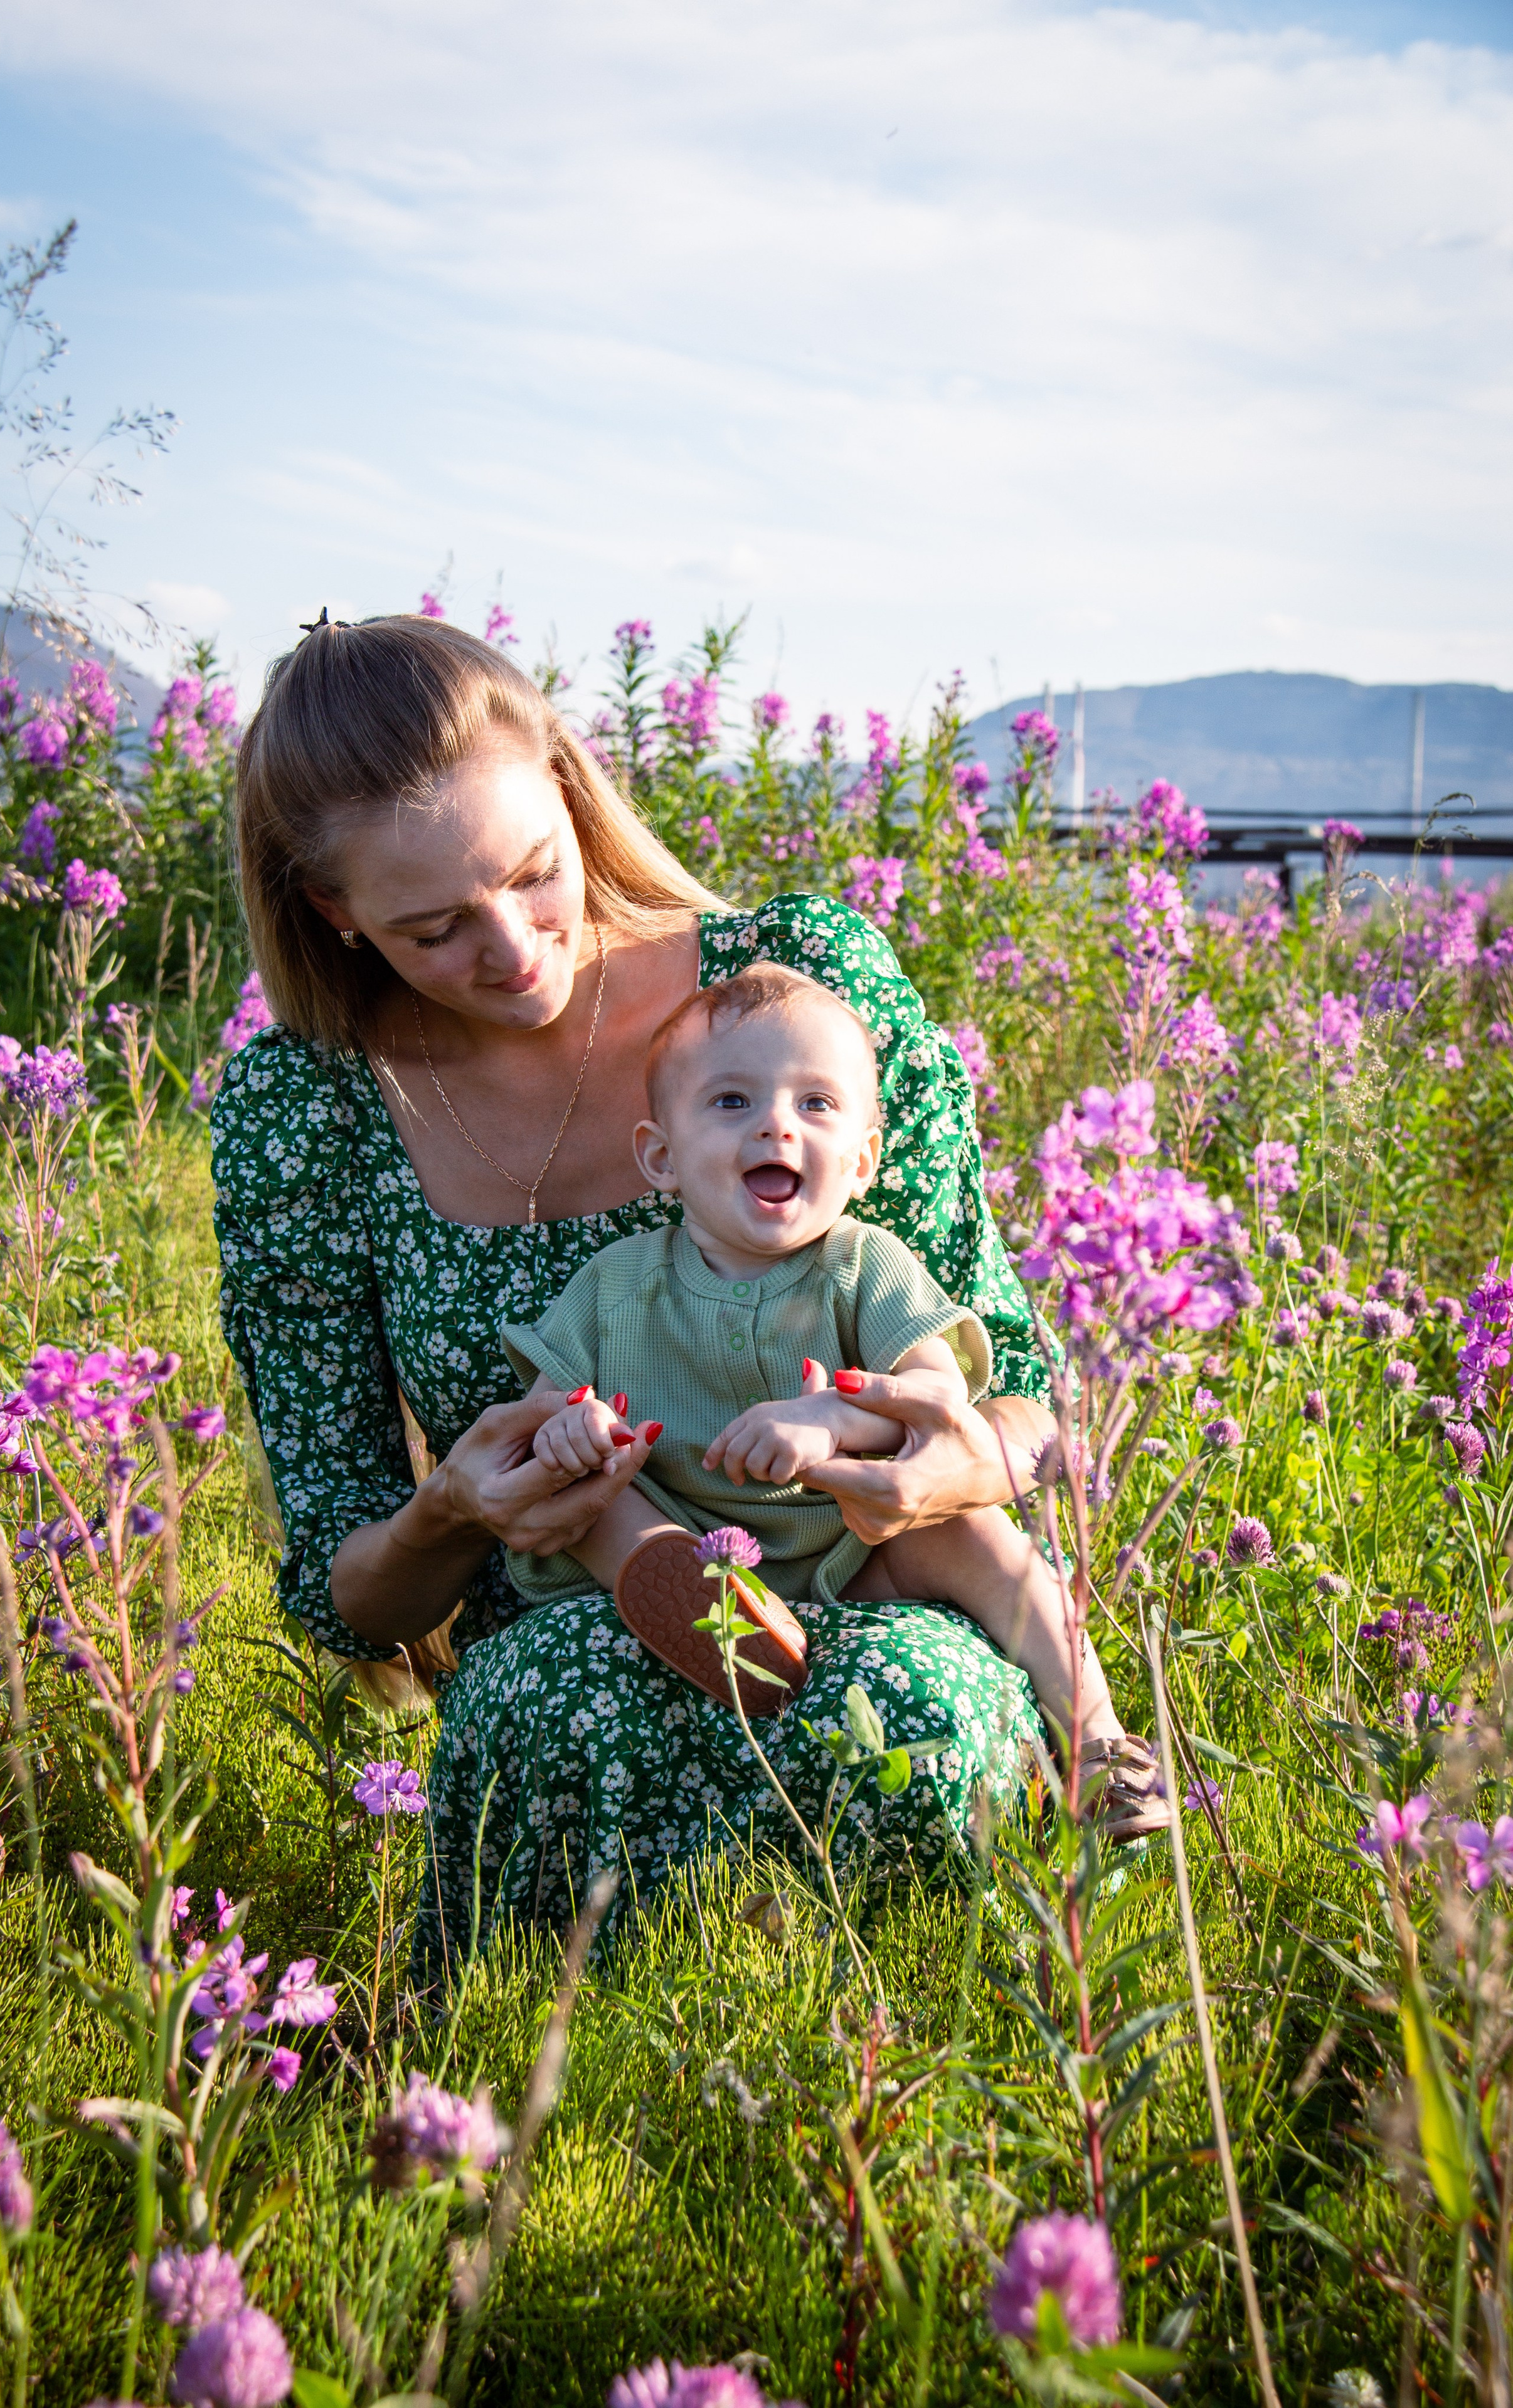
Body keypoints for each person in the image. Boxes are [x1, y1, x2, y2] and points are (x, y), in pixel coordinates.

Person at [210, 611, 1142, 1987]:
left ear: (575, 796)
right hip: (574, 1603)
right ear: (335, 915)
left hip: (867, 1559)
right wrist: (456, 1509)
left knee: (914, 1703)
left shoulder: (791, 993)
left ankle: (967, 2017)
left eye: (535, 876)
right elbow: (346, 1594)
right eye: (431, 929)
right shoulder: (308, 1105)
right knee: (555, 1702)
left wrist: (950, 1455)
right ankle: (546, 2086)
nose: (515, 949)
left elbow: (1025, 1398)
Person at [497, 961, 1157, 1840]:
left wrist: (831, 1420)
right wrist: (575, 1428)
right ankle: (692, 1600)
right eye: (732, 1102)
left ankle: (1098, 1740)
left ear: (861, 1160)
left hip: (850, 1543)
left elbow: (938, 1392)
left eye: (816, 1104)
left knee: (984, 1543)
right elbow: (542, 1416)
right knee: (588, 1509)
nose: (776, 1122)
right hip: (685, 1535)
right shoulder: (615, 1286)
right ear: (661, 1157)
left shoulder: (863, 1264)